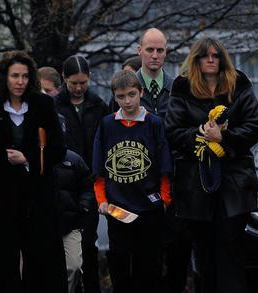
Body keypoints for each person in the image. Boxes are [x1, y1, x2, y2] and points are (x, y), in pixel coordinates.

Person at [165, 36, 258, 293]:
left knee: (230, 247)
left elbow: (255, 126)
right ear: (196, 59)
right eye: (204, 55)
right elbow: (172, 130)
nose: (210, 59)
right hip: (195, 183)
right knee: (204, 252)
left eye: (215, 55)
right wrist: (199, 134)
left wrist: (225, 137)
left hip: (234, 180)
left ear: (222, 58)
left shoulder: (239, 83)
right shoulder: (182, 86)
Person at [0, 50, 67, 292]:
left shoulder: (43, 104)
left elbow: (58, 148)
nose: (20, 82)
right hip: (2, 197)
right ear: (4, 77)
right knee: (3, 263)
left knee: (41, 263)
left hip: (37, 197)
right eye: (15, 76)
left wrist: (27, 158)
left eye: (25, 76)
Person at [93, 70, 173, 293]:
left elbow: (165, 167)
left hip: (150, 208)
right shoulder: (107, 124)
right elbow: (99, 170)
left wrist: (164, 199)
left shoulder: (154, 123)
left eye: (131, 94)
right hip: (118, 209)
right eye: (121, 96)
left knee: (149, 269)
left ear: (141, 92)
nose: (127, 101)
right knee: (120, 269)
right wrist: (102, 200)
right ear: (114, 97)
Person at [54, 55, 109, 293]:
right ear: (64, 79)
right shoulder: (54, 106)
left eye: (83, 83)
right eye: (74, 83)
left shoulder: (98, 105)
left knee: (88, 245)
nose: (78, 88)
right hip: (63, 182)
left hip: (90, 183)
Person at [54, 146, 95, 293]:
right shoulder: (33, 157)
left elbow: (89, 185)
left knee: (73, 267)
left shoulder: (73, 159)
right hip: (41, 225)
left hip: (70, 225)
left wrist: (82, 207)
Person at [109, 28, 173, 118]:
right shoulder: (122, 89)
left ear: (165, 52)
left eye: (160, 50)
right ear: (139, 50)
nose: (155, 56)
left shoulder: (177, 90)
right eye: (150, 50)